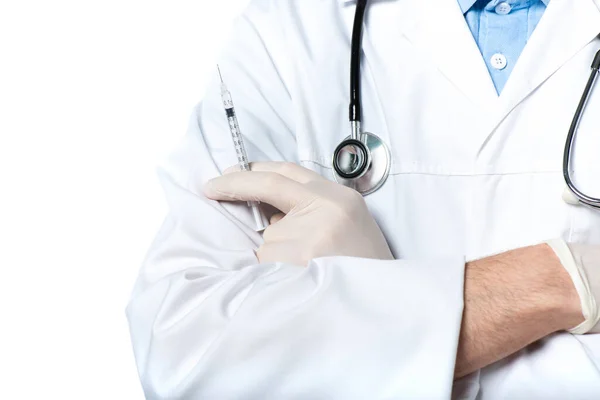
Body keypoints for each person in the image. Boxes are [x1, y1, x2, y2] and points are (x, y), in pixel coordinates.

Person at [126, 0, 600, 398]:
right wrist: (560, 281)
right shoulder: (292, 34)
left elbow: (258, 368)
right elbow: (186, 354)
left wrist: (365, 330)